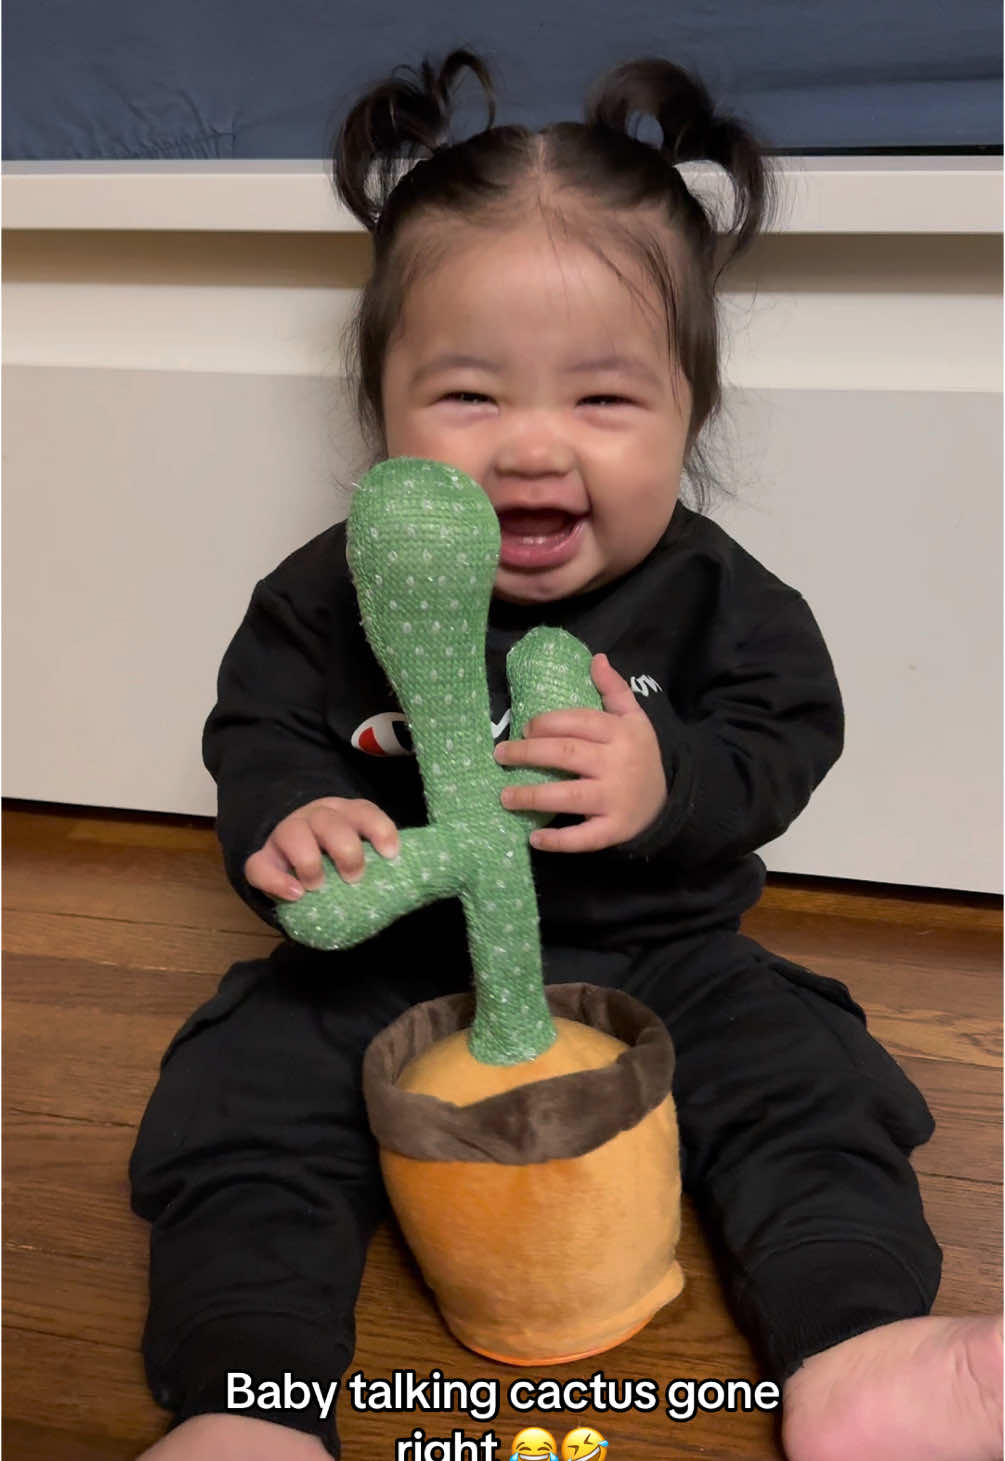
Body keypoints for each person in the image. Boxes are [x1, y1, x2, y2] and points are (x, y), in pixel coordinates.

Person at [129, 48, 1003, 1461]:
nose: (534, 448)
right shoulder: (327, 591)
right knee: (243, 1103)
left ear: (686, 415)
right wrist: (287, 818)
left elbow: (787, 733)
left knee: (804, 1079)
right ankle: (248, 1400)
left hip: (659, 952)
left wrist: (668, 783)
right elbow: (261, 730)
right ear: (382, 414)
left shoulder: (719, 596)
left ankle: (861, 1348)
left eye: (602, 401)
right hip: (389, 968)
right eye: (467, 396)